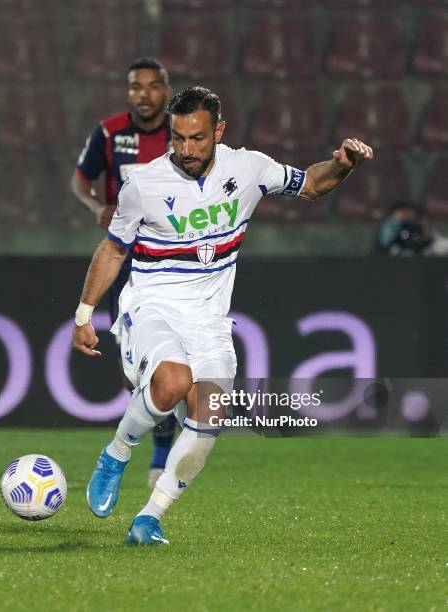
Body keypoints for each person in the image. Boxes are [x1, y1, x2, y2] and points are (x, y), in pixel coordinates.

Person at [72, 87, 374, 545]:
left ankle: (150, 518)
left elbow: (311, 185)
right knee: (171, 381)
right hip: (151, 305)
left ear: (219, 131)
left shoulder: (249, 167)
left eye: (196, 138)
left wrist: (343, 165)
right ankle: (116, 453)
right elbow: (114, 249)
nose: (186, 150)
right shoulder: (144, 185)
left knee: (210, 413)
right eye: (177, 138)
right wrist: (84, 314)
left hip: (209, 318)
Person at [70, 57, 178, 487]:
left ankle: (161, 449)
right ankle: (160, 428)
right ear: (128, 92)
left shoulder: (182, 133)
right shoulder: (110, 132)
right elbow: (80, 179)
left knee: (174, 356)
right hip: (128, 259)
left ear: (166, 90)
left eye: (153, 86)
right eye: (136, 87)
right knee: (131, 367)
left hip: (176, 258)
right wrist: (97, 206)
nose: (144, 94)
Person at [375, 201, 448, 256]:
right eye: (402, 213)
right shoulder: (394, 226)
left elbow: (416, 239)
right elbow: (386, 242)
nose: (406, 215)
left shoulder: (412, 227)